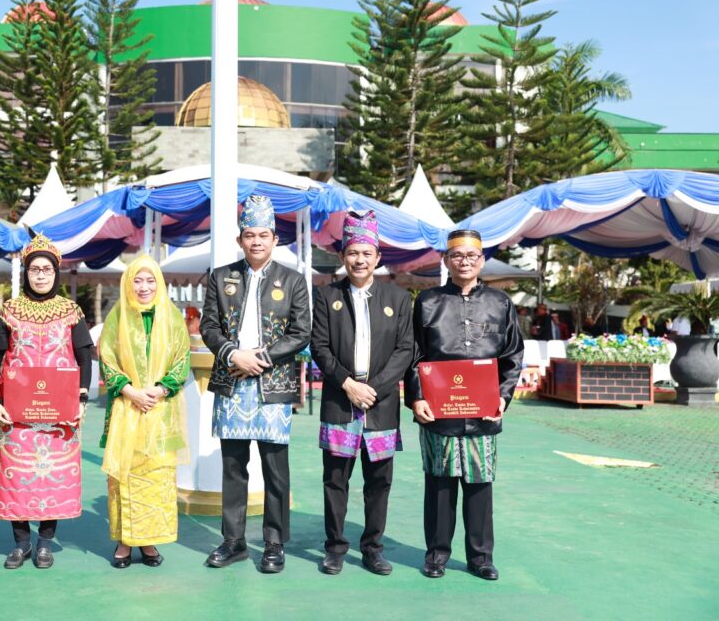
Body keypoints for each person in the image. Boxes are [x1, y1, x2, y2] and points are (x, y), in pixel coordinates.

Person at [200, 195, 311, 574]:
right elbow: (209, 326)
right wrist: (233, 355)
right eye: (250, 235)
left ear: (275, 239)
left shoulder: (293, 280)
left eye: (264, 235)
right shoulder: (220, 277)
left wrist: (258, 358)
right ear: (240, 239)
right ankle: (233, 541)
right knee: (233, 468)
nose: (257, 241)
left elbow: (301, 331)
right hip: (231, 382)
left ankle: (274, 543)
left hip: (272, 384)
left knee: (275, 469)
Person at [404, 229, 523, 581]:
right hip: (438, 411)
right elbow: (413, 354)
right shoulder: (428, 302)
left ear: (482, 260)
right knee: (439, 484)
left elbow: (513, 355)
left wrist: (502, 396)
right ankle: (436, 555)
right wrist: (417, 397)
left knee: (479, 484)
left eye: (472, 255)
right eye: (457, 255)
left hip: (483, 411)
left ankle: (481, 557)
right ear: (446, 260)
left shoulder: (500, 303)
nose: (464, 261)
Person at [310, 211, 413, 576]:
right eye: (353, 252)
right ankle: (335, 547)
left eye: (367, 253)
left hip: (380, 404)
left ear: (377, 257)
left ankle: (372, 548)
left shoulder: (398, 298)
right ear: (343, 256)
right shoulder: (327, 296)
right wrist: (348, 384)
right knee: (336, 478)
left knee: (379, 481)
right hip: (341, 400)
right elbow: (320, 347)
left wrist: (374, 389)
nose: (359, 259)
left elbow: (405, 349)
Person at [0, 234, 94, 570]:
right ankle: (20, 544)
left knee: (51, 477)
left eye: (47, 269)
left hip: (59, 413)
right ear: (26, 273)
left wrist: (82, 398)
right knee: (17, 477)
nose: (41, 275)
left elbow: (84, 355)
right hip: (16, 413)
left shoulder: (71, 311)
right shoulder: (10, 310)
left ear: (56, 272)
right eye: (35, 270)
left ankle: (45, 543)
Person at [99, 255, 190, 568]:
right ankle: (125, 541)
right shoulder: (117, 316)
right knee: (125, 475)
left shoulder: (172, 317)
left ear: (159, 283)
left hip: (160, 410)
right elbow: (107, 359)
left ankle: (148, 541)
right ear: (128, 283)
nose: (144, 287)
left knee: (156, 477)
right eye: (137, 280)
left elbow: (182, 360)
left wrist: (161, 389)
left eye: (150, 280)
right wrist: (132, 392)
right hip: (127, 408)